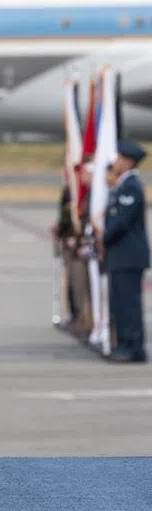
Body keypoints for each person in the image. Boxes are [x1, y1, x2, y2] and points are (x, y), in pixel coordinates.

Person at [102, 140, 149, 363]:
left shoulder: (131, 187)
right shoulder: (121, 186)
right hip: (120, 254)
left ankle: (133, 347)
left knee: (129, 304)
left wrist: (102, 239)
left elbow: (121, 222)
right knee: (119, 302)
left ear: (129, 163)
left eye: (120, 159)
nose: (116, 163)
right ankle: (124, 343)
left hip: (128, 255)